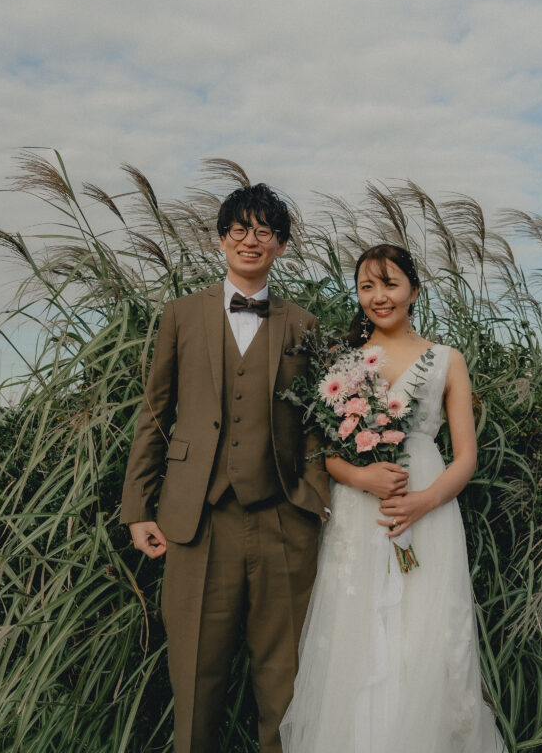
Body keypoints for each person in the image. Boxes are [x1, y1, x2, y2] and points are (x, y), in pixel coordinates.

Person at [121, 183, 330, 753]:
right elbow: (155, 414)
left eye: (264, 231)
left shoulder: (304, 324)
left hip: (283, 519)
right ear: (220, 240)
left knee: (285, 682)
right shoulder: (180, 315)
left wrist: (314, 496)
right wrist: (138, 508)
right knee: (195, 678)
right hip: (197, 521)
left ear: (281, 246)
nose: (250, 240)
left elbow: (318, 421)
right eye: (239, 229)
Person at [280, 244, 505, 753]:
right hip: (360, 512)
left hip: (428, 507)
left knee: (427, 635)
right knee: (356, 634)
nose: (379, 296)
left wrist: (423, 501)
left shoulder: (448, 359)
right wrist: (362, 479)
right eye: (367, 286)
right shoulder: (343, 363)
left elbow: (466, 456)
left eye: (389, 284)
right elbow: (322, 455)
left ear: (414, 291)